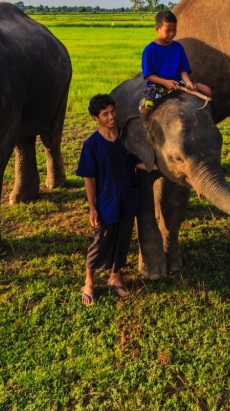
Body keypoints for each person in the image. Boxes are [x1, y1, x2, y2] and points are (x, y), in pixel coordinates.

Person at [77, 93, 144, 305]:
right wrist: (92, 208)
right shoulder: (91, 144)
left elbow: (135, 161)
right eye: (105, 114)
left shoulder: (124, 136)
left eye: (112, 111)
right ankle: (89, 282)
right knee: (101, 241)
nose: (111, 116)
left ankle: (115, 276)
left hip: (128, 197)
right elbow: (89, 177)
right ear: (95, 118)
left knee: (123, 239)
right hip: (107, 201)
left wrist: (160, 165)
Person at [138, 10, 212, 117]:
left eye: (174, 30)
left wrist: (188, 82)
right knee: (144, 111)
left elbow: (183, 70)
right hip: (158, 85)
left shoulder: (178, 47)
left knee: (207, 91)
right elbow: (149, 75)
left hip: (179, 82)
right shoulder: (149, 50)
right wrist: (165, 82)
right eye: (168, 30)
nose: (172, 33)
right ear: (157, 29)